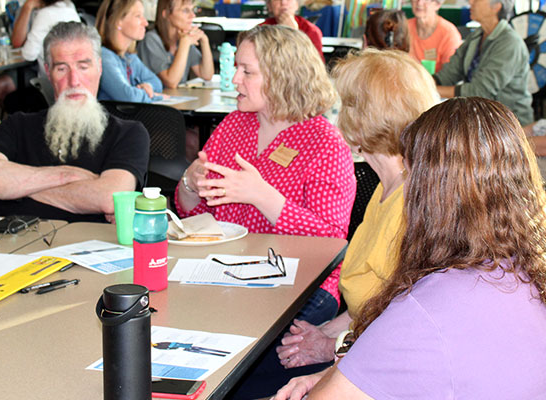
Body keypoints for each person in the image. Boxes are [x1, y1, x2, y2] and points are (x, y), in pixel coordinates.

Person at [274, 97, 546, 399]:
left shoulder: (425, 310)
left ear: (426, 193)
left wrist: (330, 380)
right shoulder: (526, 273)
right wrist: (335, 374)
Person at [176, 25, 355, 398]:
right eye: (236, 68)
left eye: (247, 71)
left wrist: (265, 198)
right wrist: (190, 184)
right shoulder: (233, 125)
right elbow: (192, 211)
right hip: (223, 273)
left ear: (282, 77)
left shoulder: (324, 142)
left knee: (229, 371)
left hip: (299, 286)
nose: (235, 79)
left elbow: (333, 241)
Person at [273, 48, 439, 382]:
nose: (337, 115)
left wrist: (329, 346)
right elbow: (370, 296)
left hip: (379, 365)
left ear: (364, 119)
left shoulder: (413, 204)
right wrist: (323, 330)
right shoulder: (386, 187)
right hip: (358, 343)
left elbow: (398, 325)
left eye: (345, 104)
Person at [0, 22, 150, 223]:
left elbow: (110, 198)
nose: (74, 81)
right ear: (48, 72)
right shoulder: (18, 125)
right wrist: (66, 176)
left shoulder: (128, 133)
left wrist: (15, 189)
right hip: (14, 247)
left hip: (87, 250)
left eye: (83, 66)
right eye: (62, 69)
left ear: (99, 68)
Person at [434, 0, 533, 126]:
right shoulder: (477, 36)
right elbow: (449, 73)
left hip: (508, 125)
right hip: (480, 118)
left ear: (496, 7)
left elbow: (479, 91)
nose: (470, 2)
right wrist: (422, 84)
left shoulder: (510, 43)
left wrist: (431, 90)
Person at [95, 0, 163, 102]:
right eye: (138, 16)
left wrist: (147, 86)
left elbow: (157, 83)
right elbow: (129, 97)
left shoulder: (129, 56)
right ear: (118, 21)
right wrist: (152, 95)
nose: (146, 23)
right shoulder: (104, 56)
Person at [137, 0, 214, 88]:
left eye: (193, 10)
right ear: (166, 14)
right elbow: (171, 82)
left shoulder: (182, 38)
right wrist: (184, 44)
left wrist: (204, 40)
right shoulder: (151, 40)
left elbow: (206, 75)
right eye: (185, 10)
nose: (193, 15)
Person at [11, 0, 81, 75]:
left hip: (50, 78)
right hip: (74, 74)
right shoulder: (69, 7)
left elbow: (28, 55)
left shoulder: (46, 14)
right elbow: (17, 42)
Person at [408, 0, 462, 73]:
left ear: (437, 5)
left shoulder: (449, 34)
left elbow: (449, 74)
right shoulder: (404, 27)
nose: (419, 2)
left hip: (435, 83)